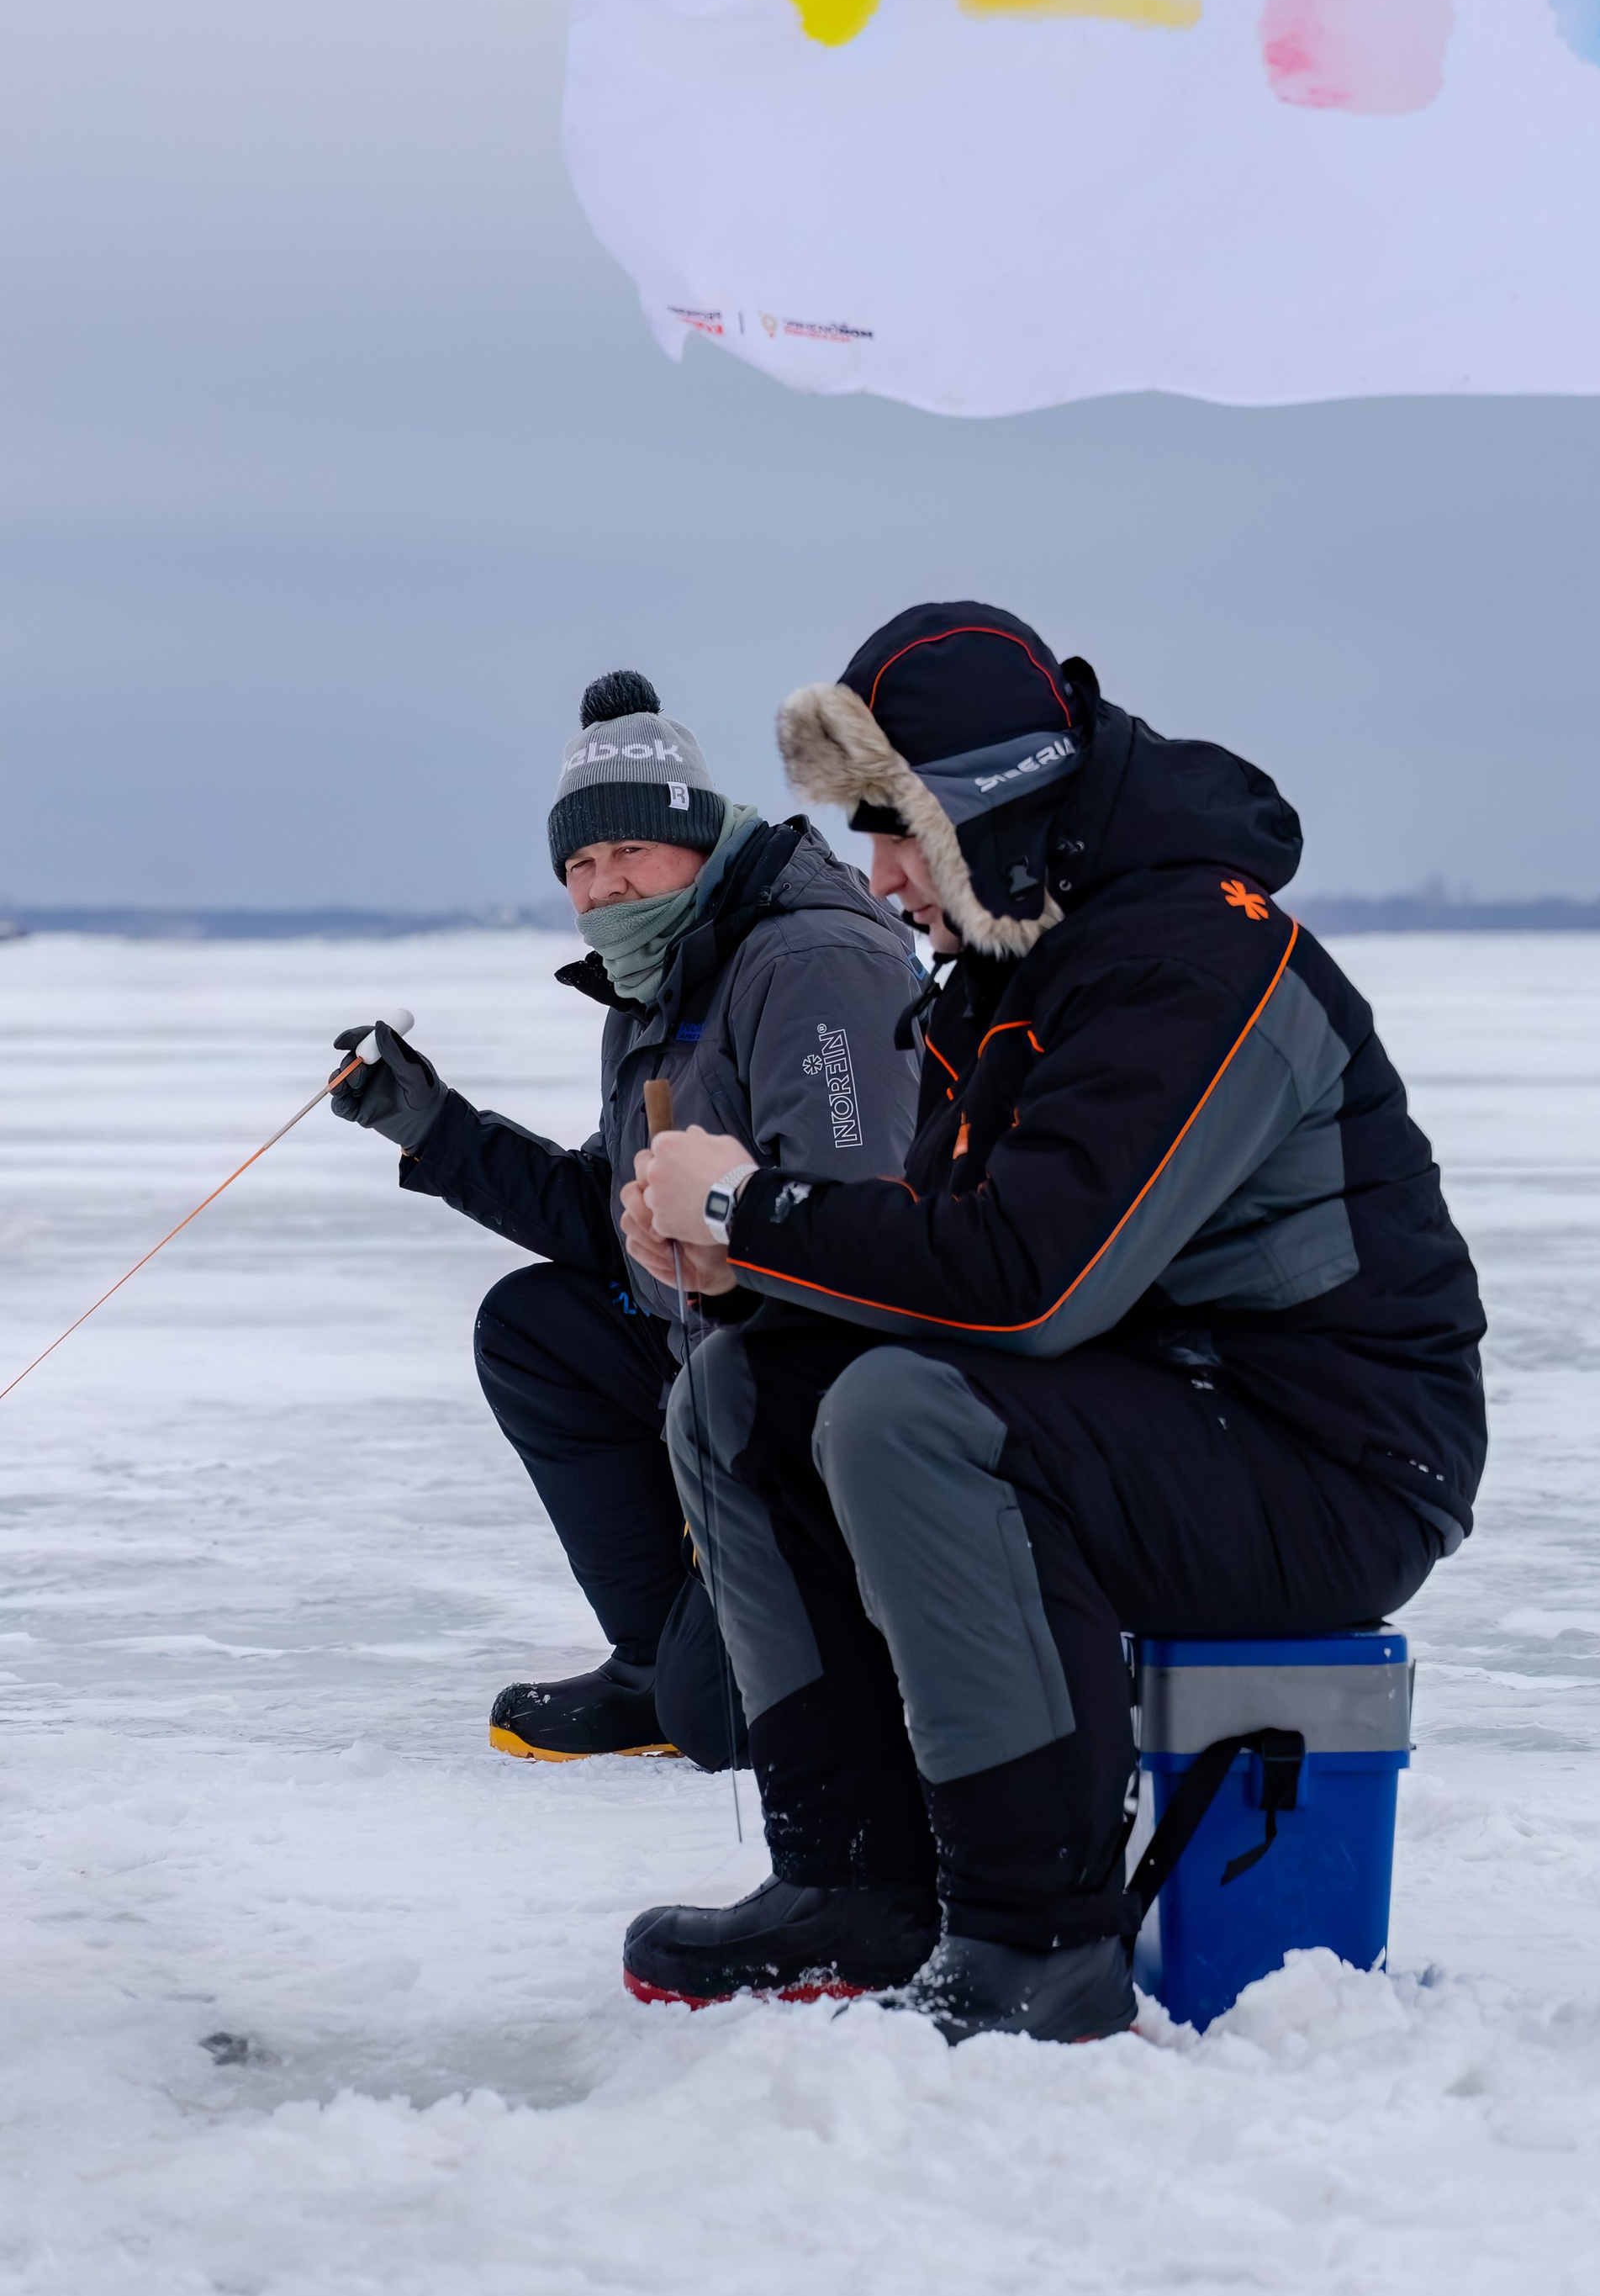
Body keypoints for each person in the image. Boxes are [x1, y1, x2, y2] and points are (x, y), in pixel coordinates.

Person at [617, 601, 1488, 2039]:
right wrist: (749, 1272)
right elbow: (944, 1255)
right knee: (743, 1392)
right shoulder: (1028, 964)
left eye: (895, 832)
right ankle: (856, 1886)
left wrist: (751, 1209)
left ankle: (1038, 1938)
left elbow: (1030, 1282)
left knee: (908, 1417)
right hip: (1160, 1400)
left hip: (1334, 1461)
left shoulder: (1191, 963)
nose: (881, 877)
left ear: (983, 811)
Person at [330, 668, 921, 1769]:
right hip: (707, 1359)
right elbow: (613, 1216)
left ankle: (841, 1645)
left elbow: (861, 1236)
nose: (604, 887)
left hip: (825, 1400)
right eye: (582, 865)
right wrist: (434, 1127)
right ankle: (659, 1657)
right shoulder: (662, 980)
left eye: (628, 854)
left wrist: (724, 1261)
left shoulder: (815, 962)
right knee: (535, 1325)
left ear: (694, 840)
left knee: (727, 1723)